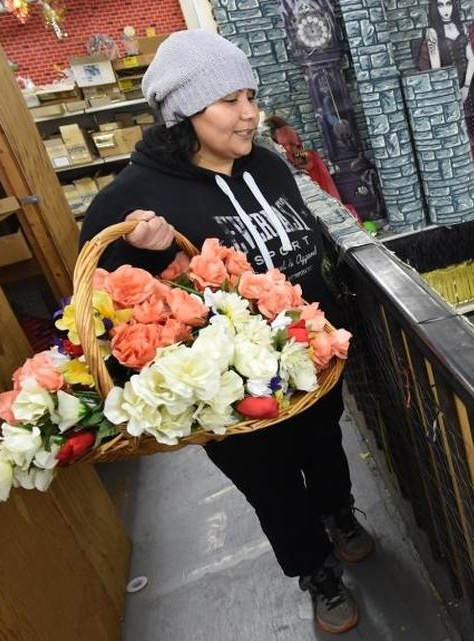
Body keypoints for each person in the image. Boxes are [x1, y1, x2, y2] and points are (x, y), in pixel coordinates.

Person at [79, 30, 374, 635]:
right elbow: (104, 307)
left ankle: (338, 513)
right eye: (229, 101)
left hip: (307, 359)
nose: (249, 113)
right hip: (229, 390)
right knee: (269, 480)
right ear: (184, 112)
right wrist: (149, 258)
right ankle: (314, 569)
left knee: (323, 441)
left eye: (251, 96)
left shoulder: (265, 164)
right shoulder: (132, 201)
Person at [415, 0, 474, 200]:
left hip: (468, 86)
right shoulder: (432, 33)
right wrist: (453, 90)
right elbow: (436, 69)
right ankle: (468, 188)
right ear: (435, 8)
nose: (445, 9)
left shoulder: (462, 27)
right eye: (441, 5)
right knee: (459, 136)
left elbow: (472, 59)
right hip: (449, 89)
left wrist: (466, 86)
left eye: (448, 4)